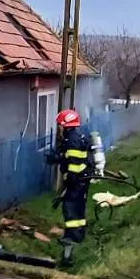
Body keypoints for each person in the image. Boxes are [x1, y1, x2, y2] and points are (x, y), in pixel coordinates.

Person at [46, 109, 97, 266]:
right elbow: (68, 157)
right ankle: (79, 235)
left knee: (71, 209)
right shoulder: (75, 138)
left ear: (65, 125)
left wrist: (70, 183)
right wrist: (57, 157)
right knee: (78, 209)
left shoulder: (73, 141)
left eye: (60, 125)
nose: (59, 128)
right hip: (82, 181)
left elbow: (74, 165)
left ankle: (72, 238)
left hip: (77, 182)